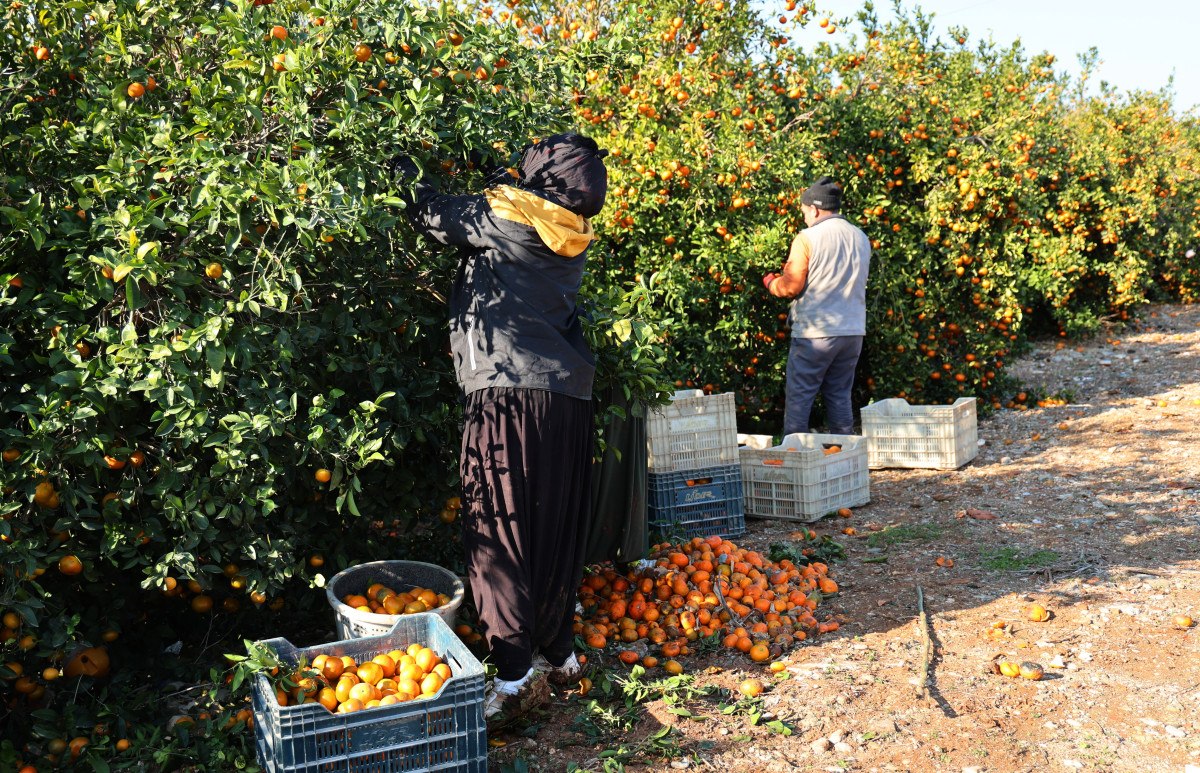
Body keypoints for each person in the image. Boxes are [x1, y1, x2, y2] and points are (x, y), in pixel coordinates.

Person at [392, 134, 608, 726]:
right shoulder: (572, 231)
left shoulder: (501, 211)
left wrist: (407, 169)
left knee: (499, 525)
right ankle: (559, 653)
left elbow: (431, 215)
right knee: (554, 525)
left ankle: (514, 676)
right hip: (567, 397)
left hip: (505, 393)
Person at [762, 176, 871, 437]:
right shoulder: (860, 237)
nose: (804, 218)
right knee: (839, 395)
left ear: (814, 209)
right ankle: (843, 459)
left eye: (804, 212)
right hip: (853, 331)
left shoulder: (808, 238)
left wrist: (770, 282)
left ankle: (795, 462)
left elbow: (791, 286)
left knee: (800, 398)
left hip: (816, 334)